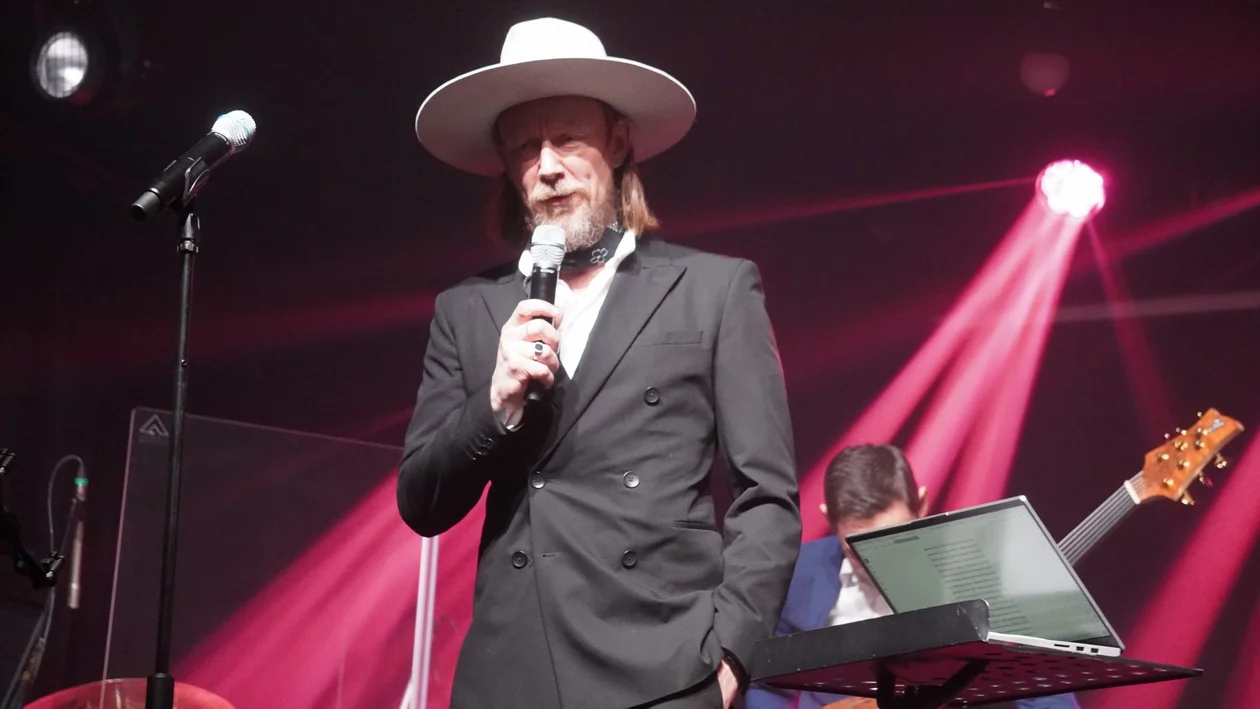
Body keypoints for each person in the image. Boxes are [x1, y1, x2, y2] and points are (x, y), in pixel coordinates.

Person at [396, 17, 802, 709]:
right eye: (526, 147)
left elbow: (766, 497)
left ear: (617, 141)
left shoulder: (713, 289)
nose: (549, 165)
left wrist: (731, 657)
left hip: (665, 666)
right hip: (510, 672)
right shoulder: (467, 309)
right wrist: (494, 406)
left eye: (568, 138)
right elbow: (422, 504)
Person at [744, 444, 1079, 709]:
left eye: (894, 540)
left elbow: (1047, 689)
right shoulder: (798, 571)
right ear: (829, 519)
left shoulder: (981, 572)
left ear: (921, 504)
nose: (878, 564)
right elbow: (766, 684)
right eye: (857, 550)